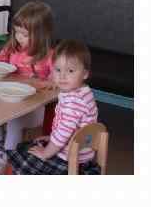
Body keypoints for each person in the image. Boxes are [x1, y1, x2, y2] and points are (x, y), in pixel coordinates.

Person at [0, 1, 55, 173]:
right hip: (9, 101)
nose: (19, 38)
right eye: (17, 32)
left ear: (41, 35)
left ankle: (8, 155)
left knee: (14, 122)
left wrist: (49, 81)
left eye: (24, 34)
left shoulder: (50, 56)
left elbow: (58, 79)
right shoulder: (13, 49)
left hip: (35, 108)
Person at [6, 39, 100, 174]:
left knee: (20, 155)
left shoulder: (73, 103)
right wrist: (52, 138)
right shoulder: (84, 93)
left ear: (85, 74)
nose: (62, 76)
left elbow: (63, 134)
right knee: (28, 147)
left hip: (70, 160)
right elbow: (70, 129)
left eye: (70, 71)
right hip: (79, 153)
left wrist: (46, 153)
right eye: (57, 70)